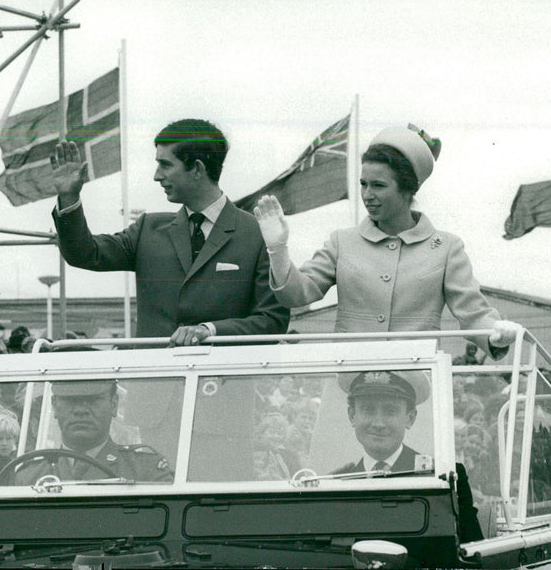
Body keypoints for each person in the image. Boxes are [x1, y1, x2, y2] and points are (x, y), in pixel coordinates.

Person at [253, 124, 520, 357]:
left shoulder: (447, 248)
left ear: (408, 190)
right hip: (347, 384)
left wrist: (495, 332)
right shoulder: (341, 242)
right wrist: (277, 250)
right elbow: (298, 294)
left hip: (414, 385)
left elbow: (474, 313)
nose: (367, 194)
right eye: (363, 184)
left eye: (379, 186)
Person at [51, 119, 289, 345]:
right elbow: (83, 253)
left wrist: (210, 331)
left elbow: (273, 320)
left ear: (197, 169)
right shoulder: (147, 230)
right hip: (154, 383)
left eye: (165, 164)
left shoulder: (258, 234)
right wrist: (68, 196)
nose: (156, 176)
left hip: (224, 384)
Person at [333, 369, 483, 543]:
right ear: (352, 416)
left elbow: (473, 552)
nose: (378, 423)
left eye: (390, 411)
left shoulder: (444, 478)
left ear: (410, 418)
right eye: (368, 410)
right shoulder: (336, 484)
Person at [15, 380, 173, 484]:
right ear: (55, 406)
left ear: (113, 404)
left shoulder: (145, 471)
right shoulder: (28, 477)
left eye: (93, 400)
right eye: (70, 400)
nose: (81, 410)